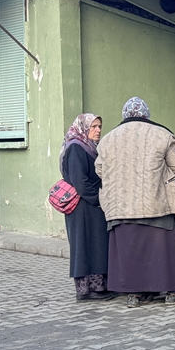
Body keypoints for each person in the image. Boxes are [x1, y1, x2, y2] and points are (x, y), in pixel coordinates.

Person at [95, 97, 175, 307]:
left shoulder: (108, 139)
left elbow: (100, 170)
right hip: (156, 203)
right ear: (146, 114)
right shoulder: (162, 135)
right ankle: (174, 293)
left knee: (130, 250)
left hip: (120, 206)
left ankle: (137, 294)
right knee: (163, 249)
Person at [60, 113, 114, 301]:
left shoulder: (90, 147)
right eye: (94, 127)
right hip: (82, 207)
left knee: (97, 245)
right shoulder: (75, 147)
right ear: (83, 127)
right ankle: (87, 290)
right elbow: (79, 181)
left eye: (100, 126)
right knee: (84, 246)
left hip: (91, 205)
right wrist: (100, 198)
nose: (98, 130)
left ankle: (99, 286)